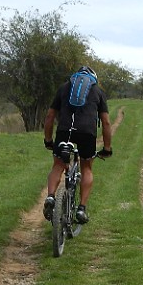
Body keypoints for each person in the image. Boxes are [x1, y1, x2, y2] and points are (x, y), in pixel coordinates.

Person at [42, 66, 113, 224]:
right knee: (86, 167)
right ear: (93, 78)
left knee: (58, 165)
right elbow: (106, 122)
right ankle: (81, 209)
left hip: (65, 130)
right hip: (87, 133)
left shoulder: (64, 88)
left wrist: (48, 140)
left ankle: (51, 196)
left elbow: (49, 116)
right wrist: (107, 148)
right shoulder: (98, 92)